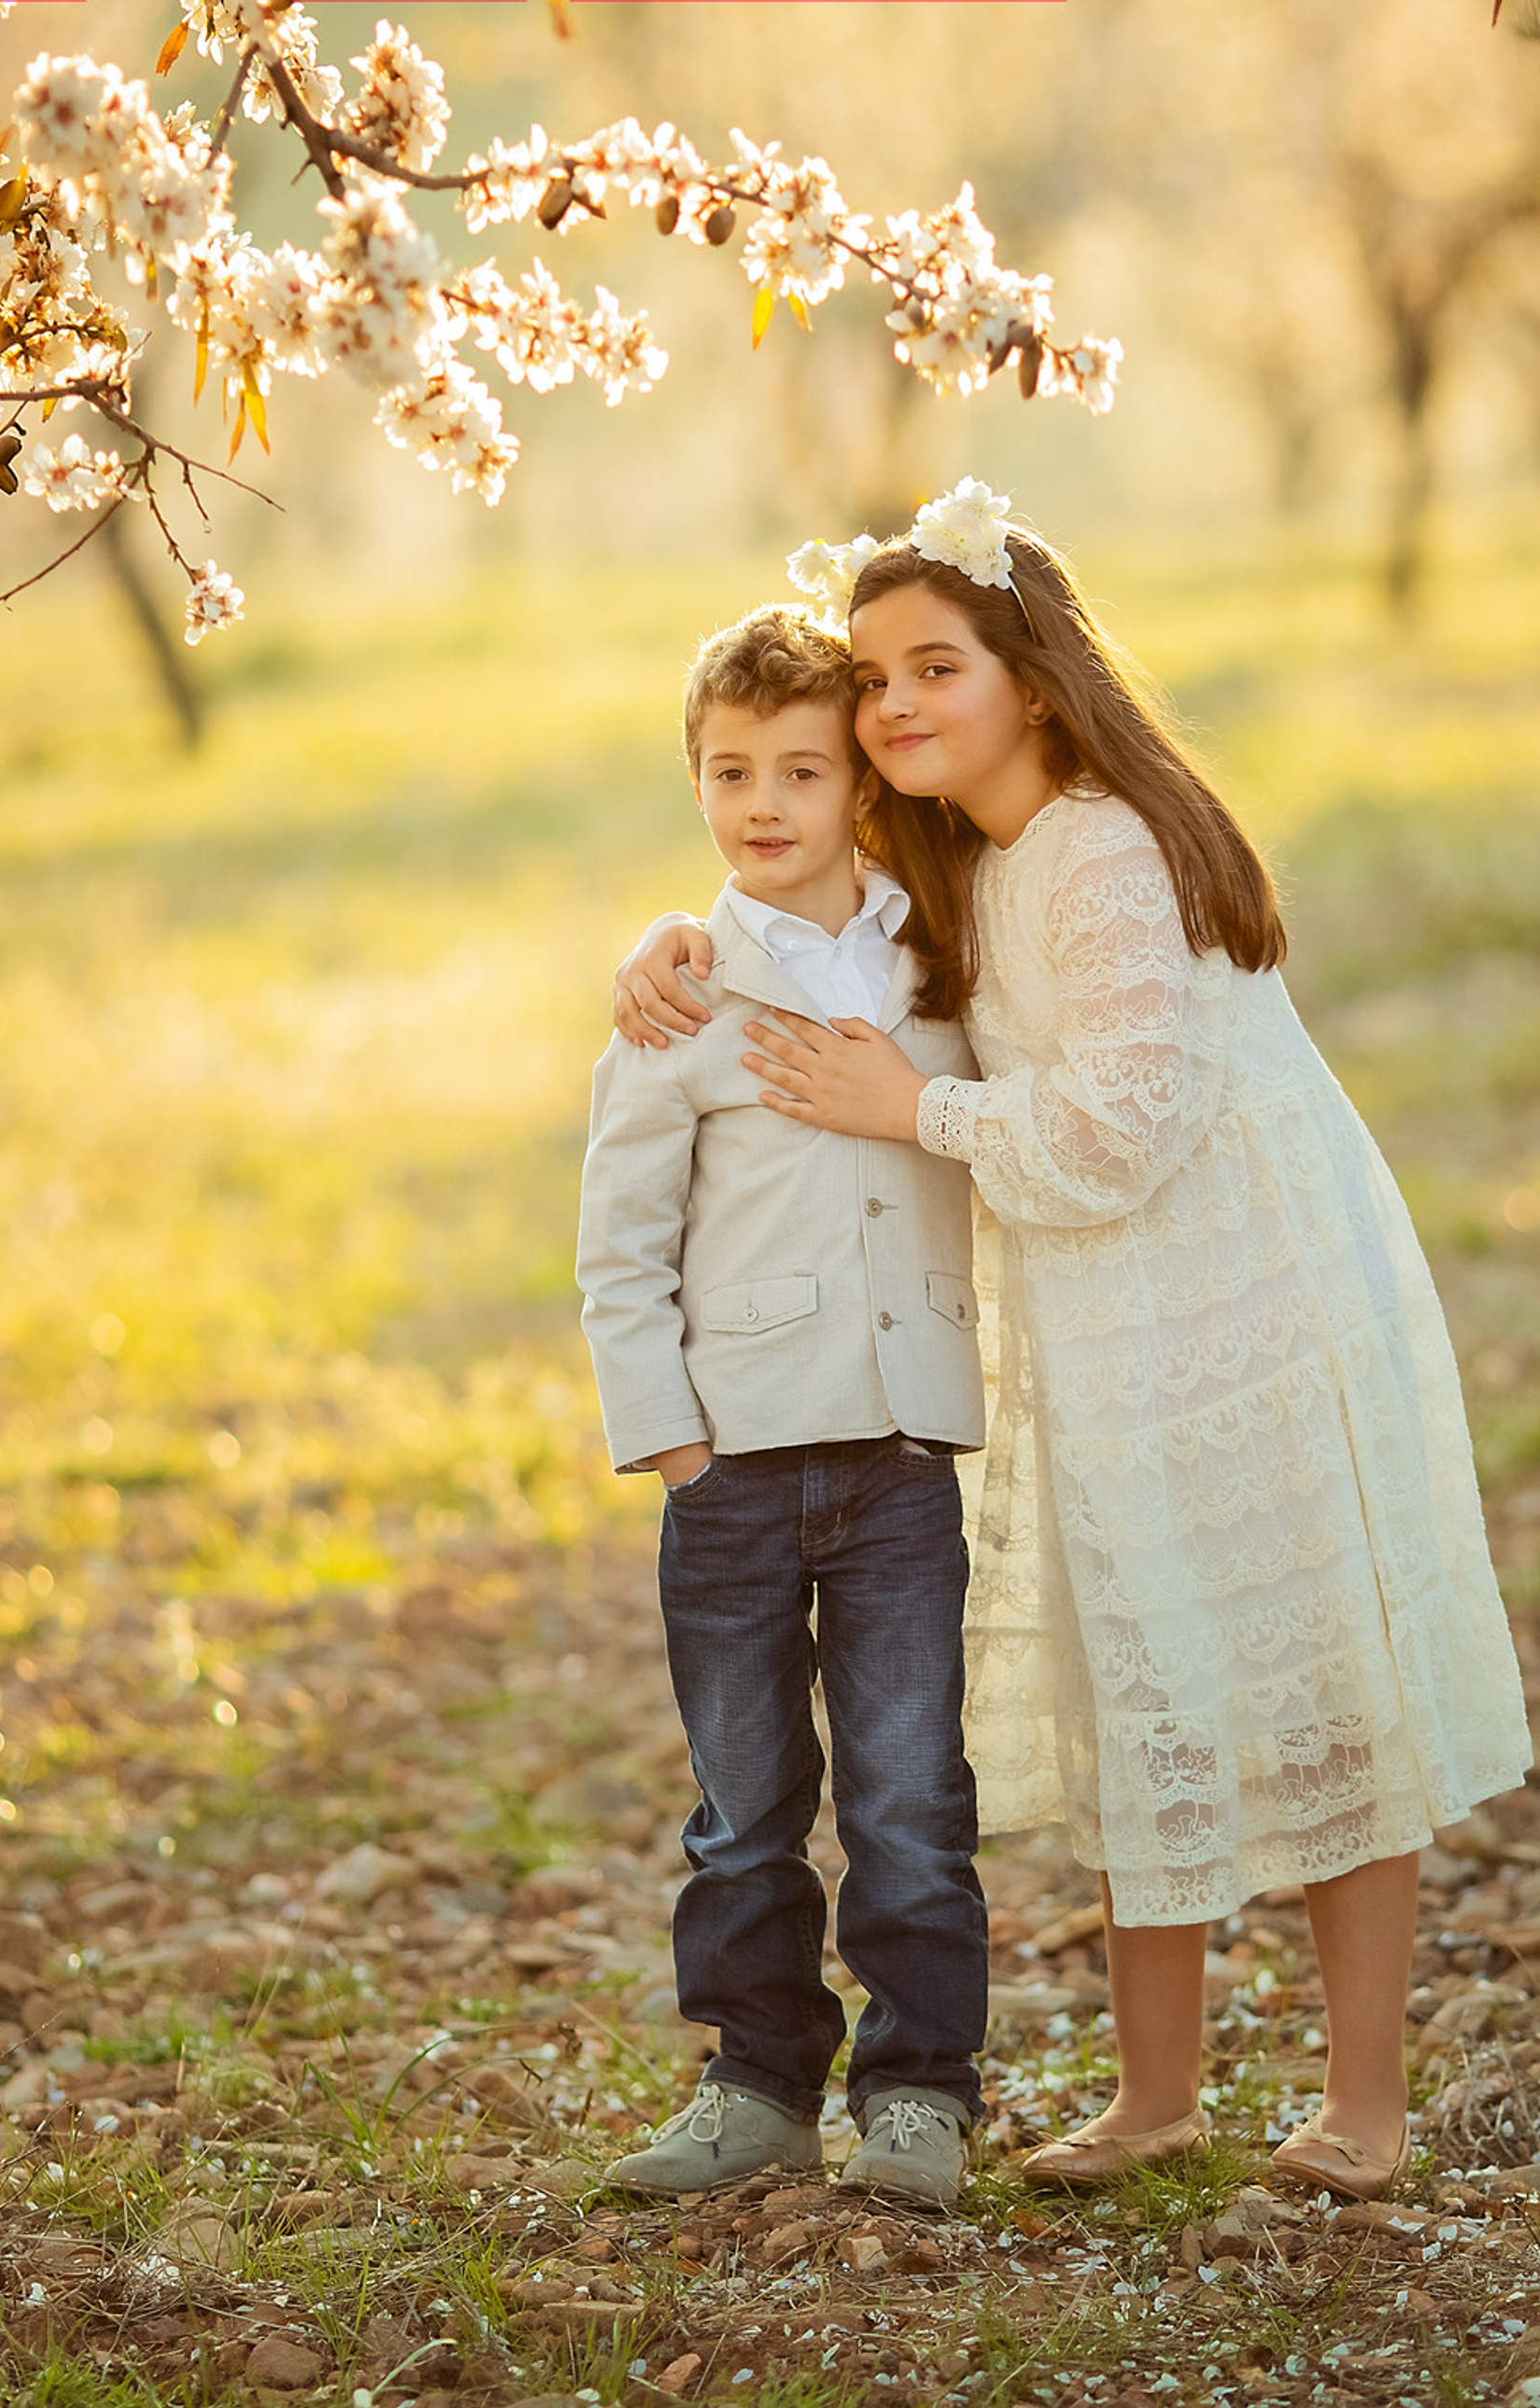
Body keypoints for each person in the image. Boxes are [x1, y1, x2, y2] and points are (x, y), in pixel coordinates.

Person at [611, 486, 1532, 2201]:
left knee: (1319, 1664)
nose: (888, 710)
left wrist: (917, 1105)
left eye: (931, 667)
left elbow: (1122, 1124)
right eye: (873, 678)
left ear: (1031, 679)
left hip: (1244, 1294)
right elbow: (786, 883)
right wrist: (665, 944)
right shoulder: (971, 844)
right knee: (1145, 1660)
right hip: (1114, 1303)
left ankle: (1369, 2103)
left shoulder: (1104, 844)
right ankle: (1159, 2094)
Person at [575, 604, 994, 2207]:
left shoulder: (934, 962)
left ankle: (922, 2091)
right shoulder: (683, 997)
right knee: (745, 1809)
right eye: (731, 769)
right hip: (734, 1465)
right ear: (694, 781)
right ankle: (757, 2083)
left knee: (907, 1793)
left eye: (801, 771)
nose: (765, 803)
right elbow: (618, 1243)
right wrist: (666, 1429)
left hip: (897, 1454)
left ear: (859, 791)